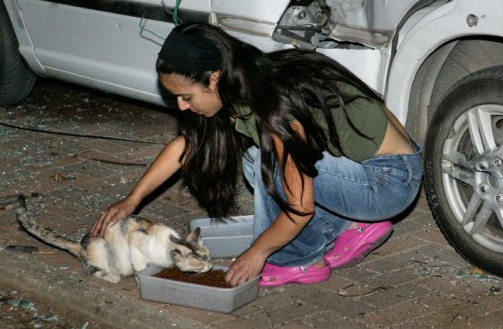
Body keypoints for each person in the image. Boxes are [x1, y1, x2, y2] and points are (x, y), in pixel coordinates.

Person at [91, 23, 422, 287]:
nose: (180, 105)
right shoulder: (244, 82)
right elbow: (185, 146)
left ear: (215, 78)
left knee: (270, 166)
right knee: (256, 160)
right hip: (364, 171)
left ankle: (298, 261)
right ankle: (351, 224)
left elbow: (299, 208)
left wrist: (258, 252)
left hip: (389, 181)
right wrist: (132, 200)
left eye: (186, 96)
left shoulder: (274, 107)